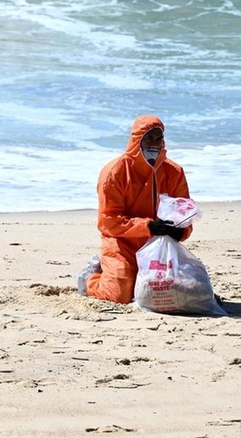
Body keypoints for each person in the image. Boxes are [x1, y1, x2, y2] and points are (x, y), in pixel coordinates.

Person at [78, 115, 192, 303]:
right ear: (137, 139)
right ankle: (91, 278)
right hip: (122, 241)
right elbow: (108, 221)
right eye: (148, 138)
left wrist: (181, 231)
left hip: (159, 243)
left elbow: (184, 211)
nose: (154, 144)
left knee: (179, 289)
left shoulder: (174, 172)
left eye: (159, 138)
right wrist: (148, 226)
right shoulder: (115, 172)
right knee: (119, 293)